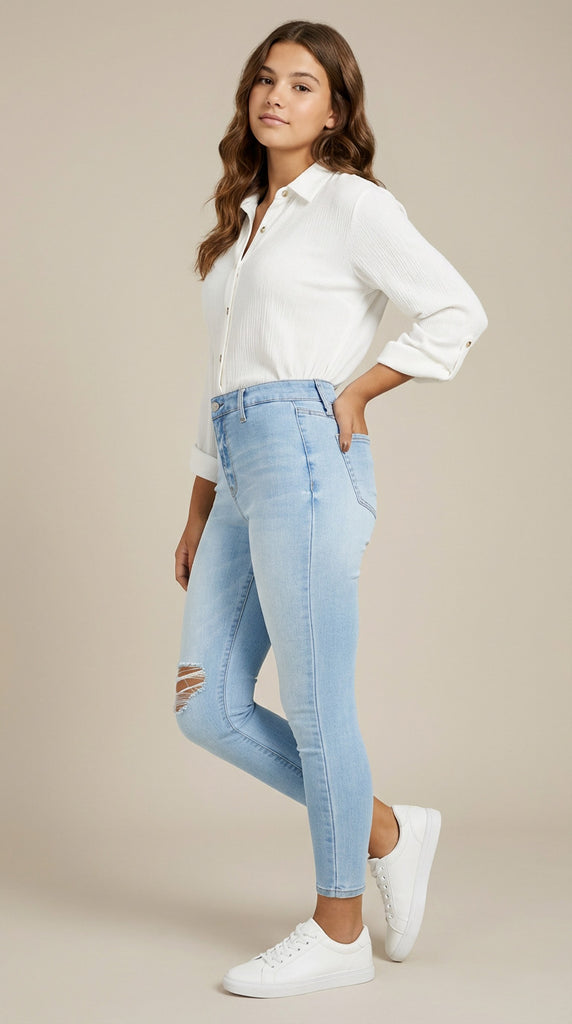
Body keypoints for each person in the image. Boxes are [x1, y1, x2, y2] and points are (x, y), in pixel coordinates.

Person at [173, 20, 488, 999]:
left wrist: (353, 392)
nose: (276, 97)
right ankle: (388, 827)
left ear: (336, 110)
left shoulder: (349, 206)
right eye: (264, 80)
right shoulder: (245, 224)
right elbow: (222, 377)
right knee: (207, 708)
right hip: (236, 462)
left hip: (308, 456)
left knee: (313, 705)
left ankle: (338, 925)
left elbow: (454, 312)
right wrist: (195, 508)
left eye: (302, 85)